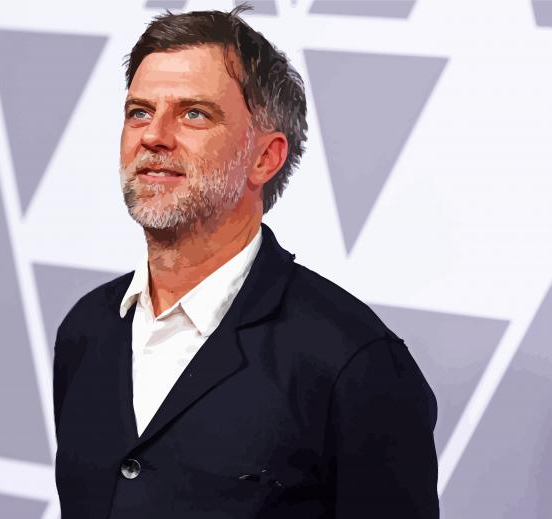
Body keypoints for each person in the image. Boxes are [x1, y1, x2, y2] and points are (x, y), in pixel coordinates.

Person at [53, 5, 439, 518]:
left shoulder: (353, 363)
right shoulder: (86, 330)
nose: (153, 135)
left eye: (194, 114)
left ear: (264, 158)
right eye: (139, 111)